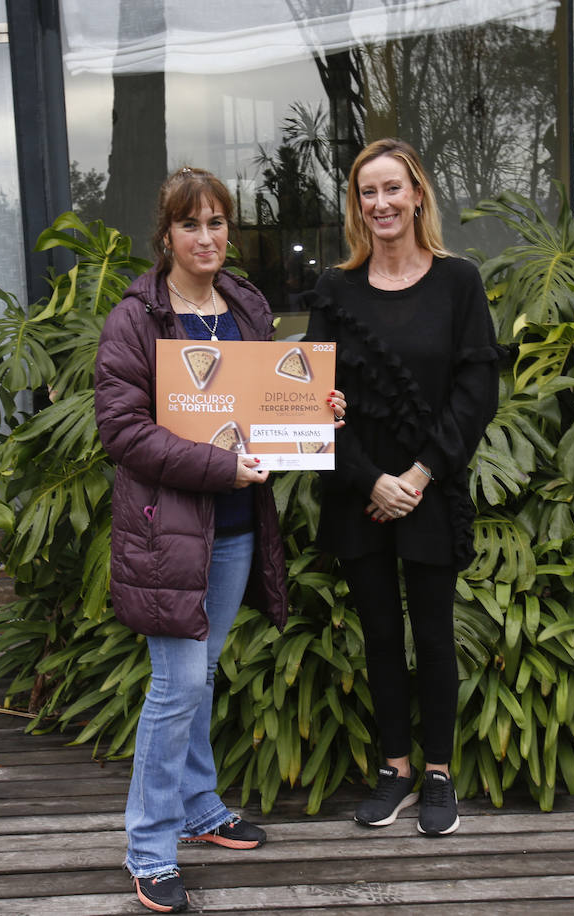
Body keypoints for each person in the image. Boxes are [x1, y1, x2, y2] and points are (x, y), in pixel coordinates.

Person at [94, 167, 346, 913]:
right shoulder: (135, 318)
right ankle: (147, 847)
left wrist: (312, 412)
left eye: (216, 222)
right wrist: (218, 464)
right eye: (190, 225)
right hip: (166, 534)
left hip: (235, 528)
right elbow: (123, 432)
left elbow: (259, 398)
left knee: (201, 675)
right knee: (175, 687)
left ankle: (200, 806)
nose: (206, 238)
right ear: (165, 235)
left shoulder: (245, 303)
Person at [305, 139, 501, 837]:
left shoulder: (459, 283)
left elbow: (477, 391)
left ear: (418, 194)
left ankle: (440, 773)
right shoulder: (335, 290)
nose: (381, 204)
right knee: (381, 635)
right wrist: (371, 479)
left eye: (393, 189)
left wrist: (416, 477)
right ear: (357, 206)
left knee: (434, 634)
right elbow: (313, 399)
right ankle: (394, 769)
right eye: (367, 193)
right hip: (360, 490)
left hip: (429, 486)